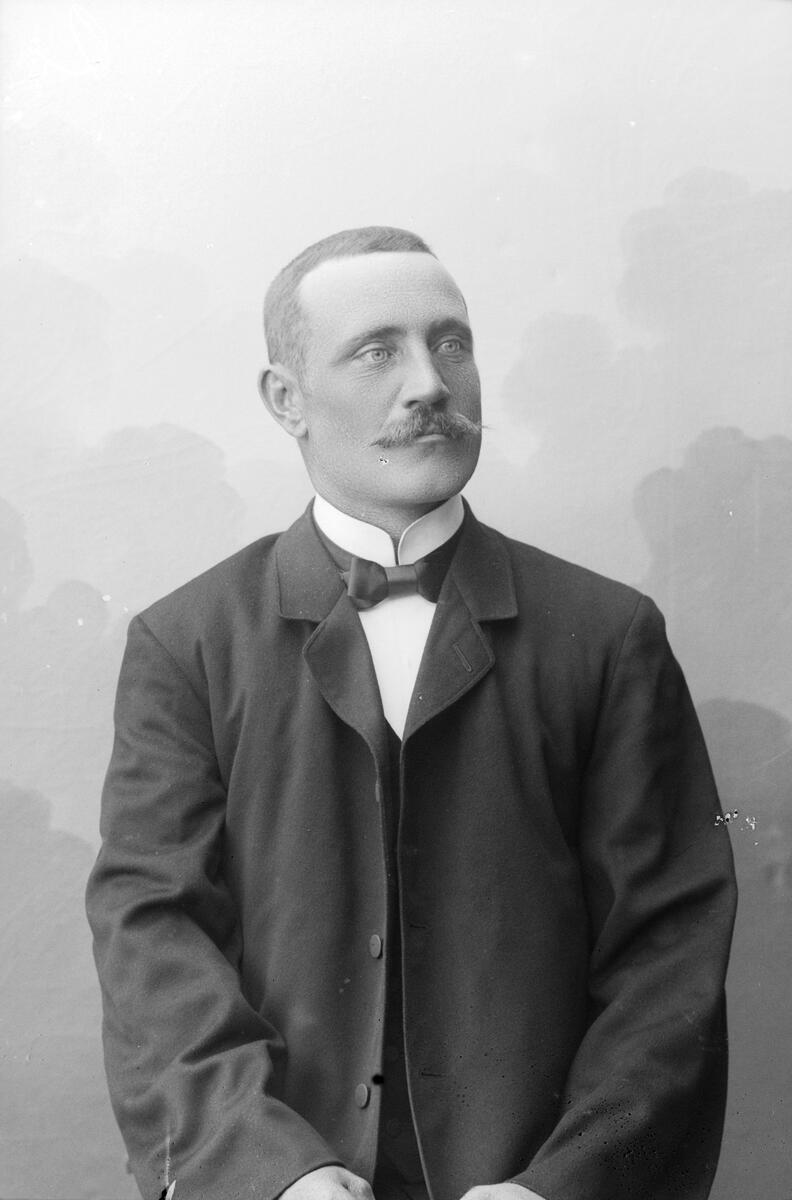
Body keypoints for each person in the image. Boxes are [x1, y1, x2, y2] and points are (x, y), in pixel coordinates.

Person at [86, 227, 737, 1200]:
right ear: (286, 401)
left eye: (452, 343)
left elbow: (670, 955)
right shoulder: (188, 643)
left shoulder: (608, 636)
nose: (431, 383)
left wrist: (559, 1185)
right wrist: (274, 1172)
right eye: (377, 351)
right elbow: (153, 938)